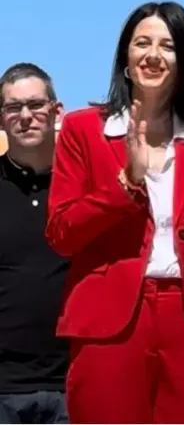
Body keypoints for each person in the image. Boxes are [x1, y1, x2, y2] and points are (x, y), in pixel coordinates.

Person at [46, 1, 184, 423]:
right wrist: (126, 182)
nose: (153, 55)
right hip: (109, 318)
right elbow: (62, 233)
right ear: (125, 58)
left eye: (167, 46)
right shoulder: (85, 131)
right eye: (142, 43)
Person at [0, 63, 67, 424]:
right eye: (13, 107)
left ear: (57, 112)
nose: (25, 116)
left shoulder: (82, 187)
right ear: (1, 119)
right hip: (3, 390)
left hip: (72, 384)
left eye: (36, 105)